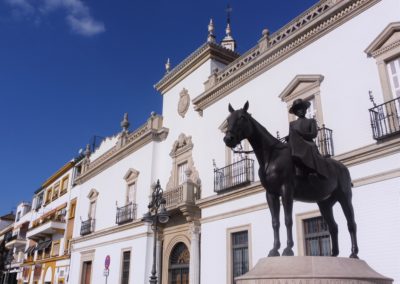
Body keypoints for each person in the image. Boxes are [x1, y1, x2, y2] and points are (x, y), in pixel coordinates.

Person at [288, 98, 329, 179]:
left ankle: (315, 170)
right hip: (297, 145)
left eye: (302, 108)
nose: (301, 111)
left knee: (311, 147)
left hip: (308, 143)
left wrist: (302, 134)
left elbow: (314, 134)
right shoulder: (292, 124)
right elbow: (291, 135)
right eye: (298, 109)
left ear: (305, 110)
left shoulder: (311, 121)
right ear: (296, 112)